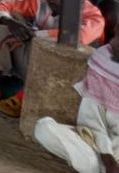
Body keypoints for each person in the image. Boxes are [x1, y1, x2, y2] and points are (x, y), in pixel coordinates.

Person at [34, 33, 119, 173]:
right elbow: (93, 124)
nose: (113, 41)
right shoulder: (102, 64)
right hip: (99, 147)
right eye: (117, 35)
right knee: (43, 128)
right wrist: (108, 157)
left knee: (92, 165)